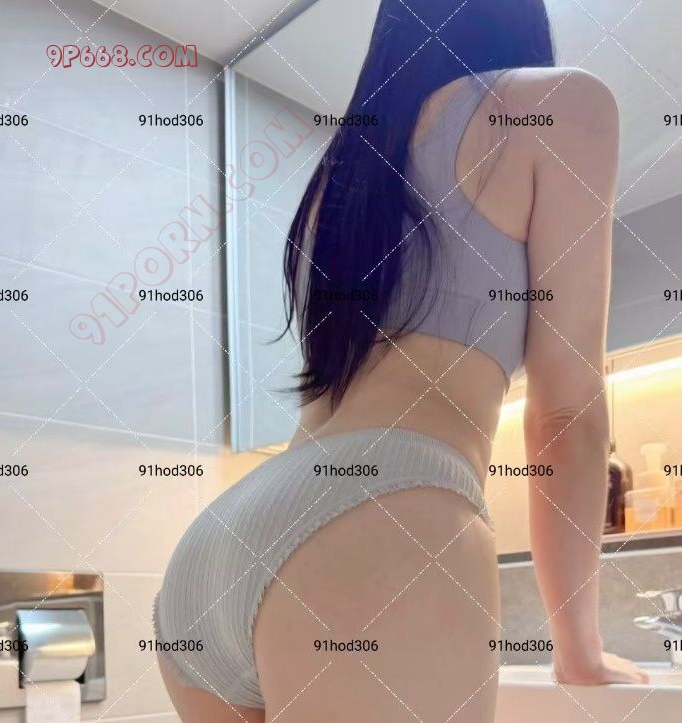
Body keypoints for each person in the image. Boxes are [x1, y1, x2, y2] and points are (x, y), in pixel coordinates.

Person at [154, 1, 648, 720]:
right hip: (387, 514)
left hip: (217, 554)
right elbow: (566, 409)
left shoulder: (346, 170)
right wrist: (579, 651)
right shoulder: (562, 103)